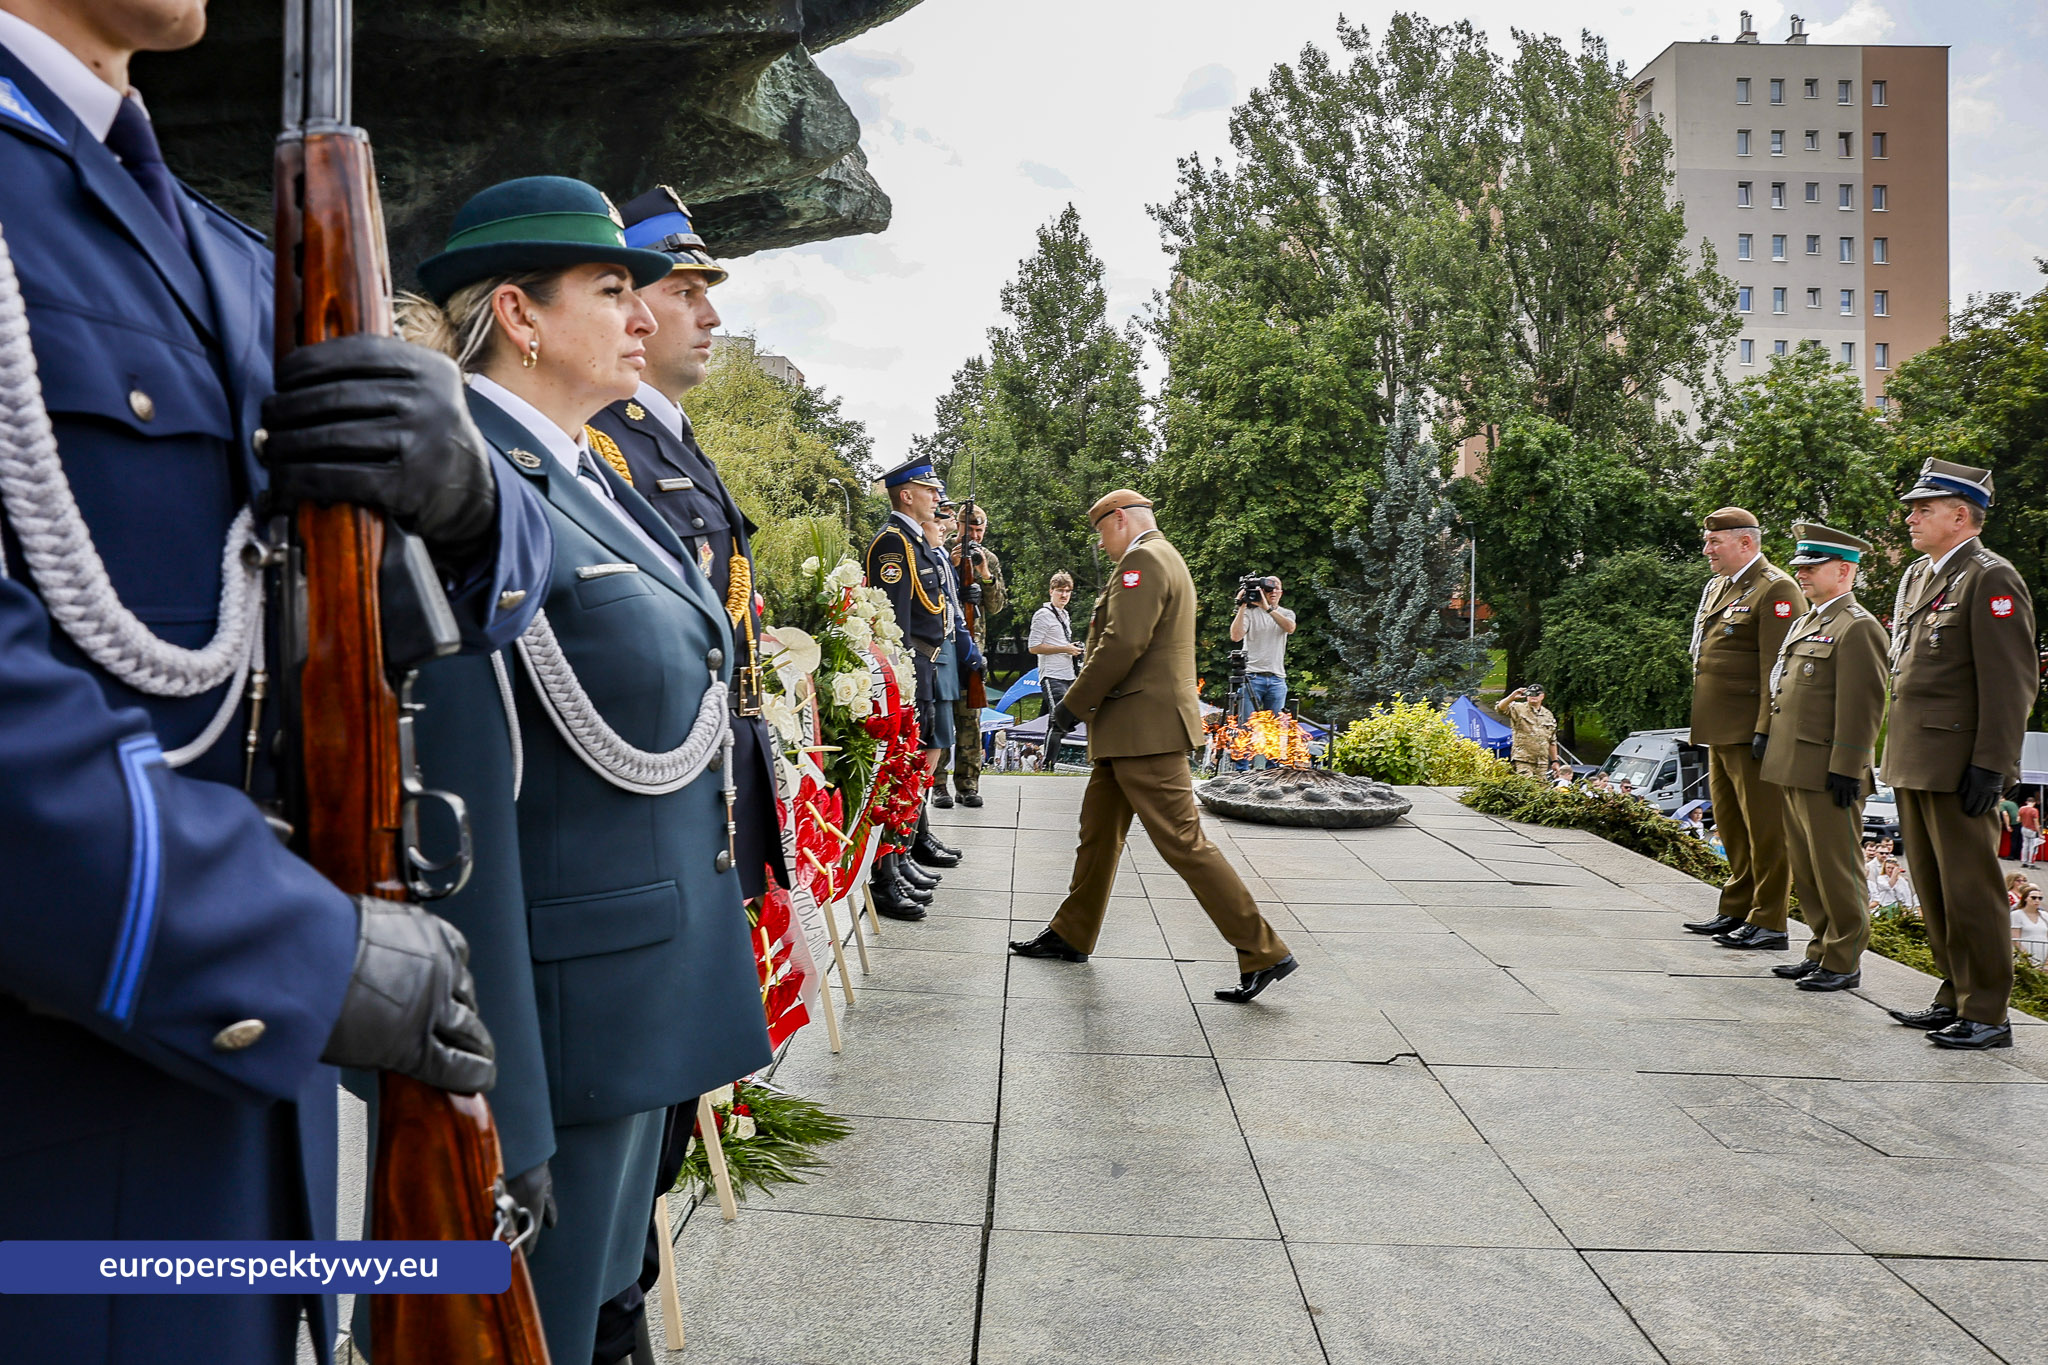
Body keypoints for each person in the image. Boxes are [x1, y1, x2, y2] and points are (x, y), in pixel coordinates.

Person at [0, 6, 556, 1360]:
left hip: (247, 1154)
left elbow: (479, 577)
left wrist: (476, 495)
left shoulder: (215, 251)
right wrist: (304, 951)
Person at [392, 176, 773, 1364]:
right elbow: (455, 808)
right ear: (518, 313)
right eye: (611, 291)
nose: (642, 314)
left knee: (601, 1307)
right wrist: (495, 1108)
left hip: (635, 1001)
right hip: (560, 1029)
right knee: (537, 1332)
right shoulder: (465, 483)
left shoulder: (583, 467)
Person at [1010, 490, 1297, 1002]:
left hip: (1145, 731)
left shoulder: (1143, 559)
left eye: (1101, 532)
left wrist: (1071, 705)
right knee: (1097, 835)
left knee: (1184, 842)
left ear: (1119, 519)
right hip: (1130, 732)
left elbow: (1122, 642)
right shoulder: (1165, 556)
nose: (1103, 544)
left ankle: (1263, 951)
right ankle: (1072, 932)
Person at [1881, 459, 2040, 1049]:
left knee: (1971, 889)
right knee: (1935, 886)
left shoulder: (1990, 578)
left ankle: (1989, 1011)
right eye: (1913, 507)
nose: (1911, 517)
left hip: (1958, 761)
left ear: (1960, 515)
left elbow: (2011, 682)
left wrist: (1992, 765)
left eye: (1923, 508)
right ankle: (1955, 992)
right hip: (1916, 756)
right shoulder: (1926, 575)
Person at [1757, 524, 1891, 991]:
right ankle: (1820, 949)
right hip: (1794, 763)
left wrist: (1848, 765)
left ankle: (1843, 960)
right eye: (1800, 567)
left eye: (1813, 567)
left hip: (1829, 770)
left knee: (1837, 869)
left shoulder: (1858, 627)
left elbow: (1866, 705)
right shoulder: (1810, 620)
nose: (1803, 574)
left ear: (1845, 571)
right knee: (1809, 870)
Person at [1681, 507, 1807, 949]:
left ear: (1746, 543)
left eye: (1715, 542)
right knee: (1733, 826)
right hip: (1719, 728)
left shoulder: (1776, 588)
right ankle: (1737, 907)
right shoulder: (1722, 587)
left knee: (1766, 828)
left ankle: (1770, 920)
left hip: (1751, 731)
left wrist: (1767, 728)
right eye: (1707, 540)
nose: (1707, 549)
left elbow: (1778, 666)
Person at [864, 457, 966, 918]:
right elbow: (895, 619)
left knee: (908, 770)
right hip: (909, 668)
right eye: (929, 492)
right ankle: (886, 874)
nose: (937, 500)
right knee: (899, 768)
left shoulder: (915, 542)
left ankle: (900, 858)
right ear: (906, 494)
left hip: (922, 666)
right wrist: (899, 678)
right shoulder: (892, 543)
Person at [944, 503, 1007, 808]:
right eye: (970, 530)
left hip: (973, 645)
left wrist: (984, 576)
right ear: (958, 527)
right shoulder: (942, 552)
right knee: (942, 715)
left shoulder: (989, 558)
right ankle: (938, 784)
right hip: (943, 644)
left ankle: (968, 784)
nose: (976, 536)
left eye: (981, 531)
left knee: (971, 719)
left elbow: (996, 606)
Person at [1228, 573, 1295, 716]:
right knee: (1247, 728)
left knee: (1275, 730)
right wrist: (1242, 606)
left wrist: (1267, 609)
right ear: (1262, 591)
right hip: (1252, 677)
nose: (1273, 592)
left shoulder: (1287, 613)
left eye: (1277, 588)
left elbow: (1290, 628)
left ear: (1281, 593)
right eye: (1269, 589)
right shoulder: (1250, 613)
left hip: (1277, 678)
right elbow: (1235, 636)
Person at [1030, 571, 1084, 717]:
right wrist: (1066, 648)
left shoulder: (1064, 614)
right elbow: (1033, 647)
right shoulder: (1043, 614)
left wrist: (1072, 648)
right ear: (1051, 591)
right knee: (1061, 720)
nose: (1064, 595)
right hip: (1052, 676)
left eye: (1068, 591)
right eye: (1060, 590)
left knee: (1058, 722)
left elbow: (1058, 643)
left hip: (1069, 676)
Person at [1501, 684, 1559, 780]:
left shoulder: (1548, 715)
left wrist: (1555, 761)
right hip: (1523, 760)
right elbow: (1500, 708)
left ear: (1542, 696)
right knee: (1527, 788)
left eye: (1537, 694)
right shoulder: (1518, 708)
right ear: (1527, 695)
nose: (1533, 696)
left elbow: (1552, 740)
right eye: (1530, 693)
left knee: (1541, 792)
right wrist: (1511, 697)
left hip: (1542, 763)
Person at [2013, 883, 2048, 966]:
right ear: (2025, 898)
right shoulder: (2016, 915)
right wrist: (2027, 958)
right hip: (2025, 955)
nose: (2037, 900)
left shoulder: (2045, 915)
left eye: (2040, 898)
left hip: (2043, 953)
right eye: (2033, 897)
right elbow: (2015, 939)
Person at [2022, 796, 2043, 867]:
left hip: (2024, 828)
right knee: (2033, 847)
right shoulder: (2034, 810)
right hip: (2032, 830)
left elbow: (2018, 819)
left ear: (2026, 802)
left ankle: (2024, 862)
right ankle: (2031, 863)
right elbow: (2036, 822)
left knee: (2025, 846)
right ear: (2034, 803)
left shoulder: (2021, 809)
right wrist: (2040, 833)